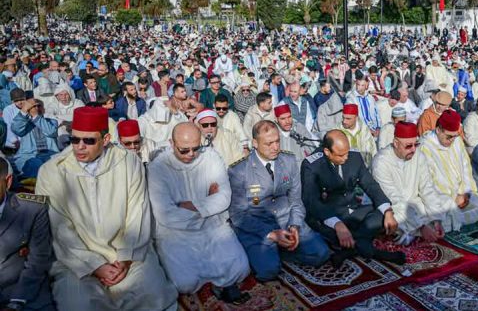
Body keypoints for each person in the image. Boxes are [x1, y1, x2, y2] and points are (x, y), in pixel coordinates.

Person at [35, 107, 177, 311]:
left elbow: (138, 212)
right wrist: (94, 265)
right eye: (75, 140)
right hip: (75, 259)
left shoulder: (128, 162)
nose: (79, 147)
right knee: (80, 304)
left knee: (152, 294)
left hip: (127, 253)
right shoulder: (52, 171)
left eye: (89, 141)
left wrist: (126, 258)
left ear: (106, 139)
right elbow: (59, 228)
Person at [147, 123, 250, 303]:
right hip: (177, 232)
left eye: (195, 148)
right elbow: (165, 214)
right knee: (184, 283)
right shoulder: (158, 167)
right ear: (171, 143)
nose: (191, 154)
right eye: (184, 150)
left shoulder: (210, 157)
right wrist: (208, 205)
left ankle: (219, 282)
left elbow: (224, 197)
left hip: (213, 226)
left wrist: (191, 206)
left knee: (240, 269)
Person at [228, 121, 330, 279]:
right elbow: (238, 215)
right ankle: (271, 254)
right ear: (254, 143)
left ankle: (283, 254)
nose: (275, 147)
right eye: (269, 143)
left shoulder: (288, 161)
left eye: (277, 141)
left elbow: (296, 200)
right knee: (268, 272)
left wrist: (295, 225)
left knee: (321, 254)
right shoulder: (239, 171)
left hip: (286, 219)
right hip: (258, 226)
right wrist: (271, 234)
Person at [301, 130, 404, 267]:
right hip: (327, 215)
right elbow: (312, 202)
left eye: (347, 153)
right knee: (328, 230)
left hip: (352, 210)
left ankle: (348, 251)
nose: (345, 158)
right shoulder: (311, 165)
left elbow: (370, 185)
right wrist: (337, 225)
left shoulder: (354, 157)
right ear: (327, 151)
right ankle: (378, 253)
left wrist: (388, 210)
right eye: (341, 155)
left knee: (381, 216)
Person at [370, 122, 447, 245]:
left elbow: (427, 188)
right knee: (395, 218)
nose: (413, 149)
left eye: (416, 144)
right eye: (408, 146)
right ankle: (411, 232)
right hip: (389, 206)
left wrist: (436, 219)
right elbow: (393, 199)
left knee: (445, 204)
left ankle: (413, 231)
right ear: (396, 143)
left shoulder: (419, 156)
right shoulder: (381, 162)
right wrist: (421, 226)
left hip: (412, 203)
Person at [417, 110, 478, 232]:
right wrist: (453, 198)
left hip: (462, 194)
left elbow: (466, 167)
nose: (452, 140)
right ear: (438, 130)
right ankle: (452, 220)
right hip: (441, 198)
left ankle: (457, 220)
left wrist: (467, 193)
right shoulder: (425, 146)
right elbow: (428, 181)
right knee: (445, 222)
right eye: (449, 136)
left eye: (455, 136)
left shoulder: (457, 141)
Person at [0, 157, 55, 311]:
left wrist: (16, 303)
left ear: (8, 181)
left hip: (24, 294)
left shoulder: (33, 209)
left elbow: (38, 261)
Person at [10, 98, 59, 179]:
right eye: (33, 106)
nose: (36, 108)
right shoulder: (24, 123)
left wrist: (36, 116)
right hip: (28, 155)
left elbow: (51, 132)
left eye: (39, 106)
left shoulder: (52, 122)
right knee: (35, 164)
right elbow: (16, 129)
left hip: (50, 154)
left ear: (43, 109)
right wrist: (24, 111)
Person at [336, 103, 377, 168]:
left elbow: (372, 149)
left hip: (364, 168)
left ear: (356, 118)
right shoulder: (336, 131)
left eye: (348, 119)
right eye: (343, 118)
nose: (344, 121)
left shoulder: (364, 129)